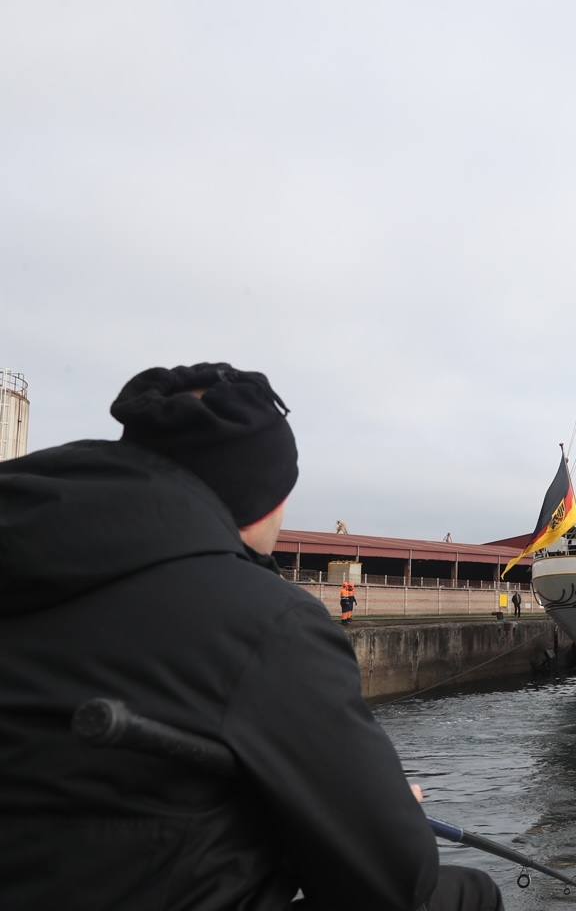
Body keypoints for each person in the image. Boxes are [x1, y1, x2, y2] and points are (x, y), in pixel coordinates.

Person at [0, 363, 502, 911]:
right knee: (465, 895)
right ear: (263, 498)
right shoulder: (266, 624)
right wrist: (372, 818)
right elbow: (394, 882)